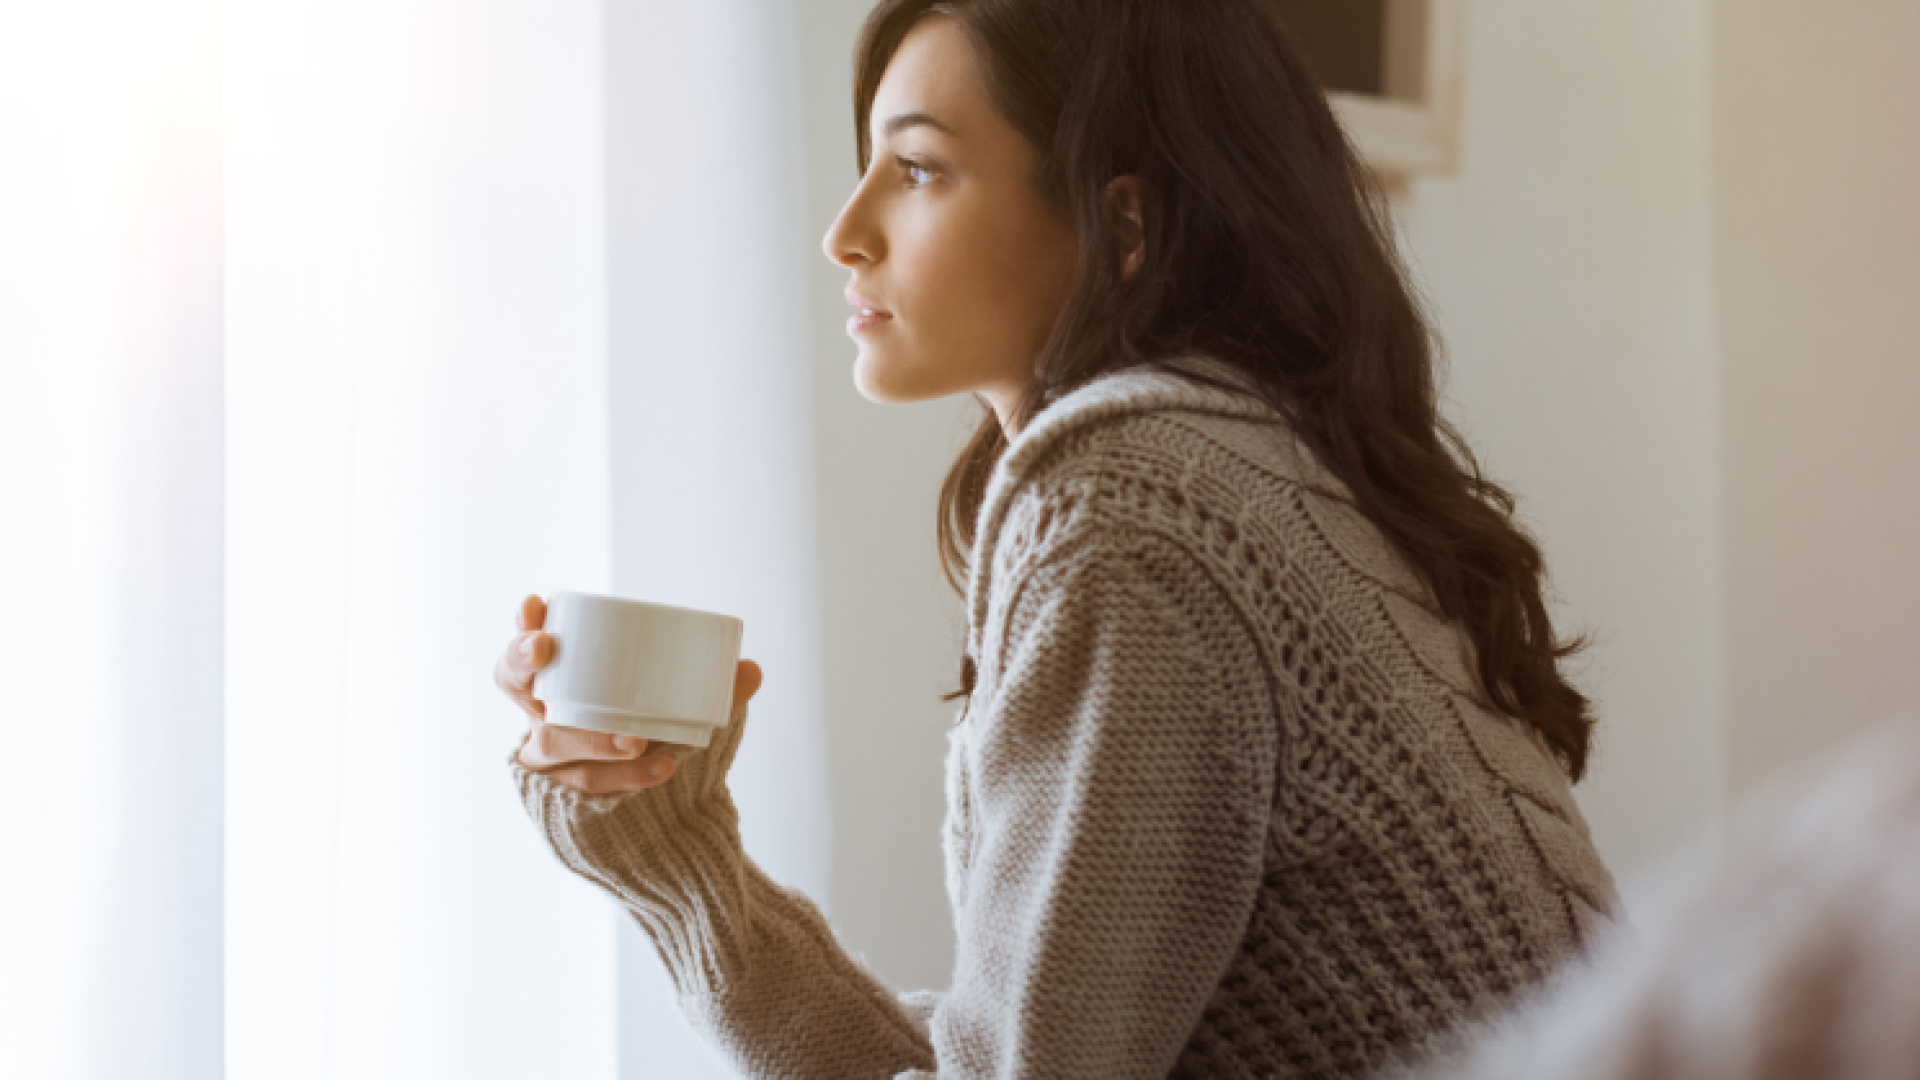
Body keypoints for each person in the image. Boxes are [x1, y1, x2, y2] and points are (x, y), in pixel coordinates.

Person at [493, 1, 1619, 1076]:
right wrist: (677, 858)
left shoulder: (1130, 506)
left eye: (919, 167)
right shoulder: (1238, 464)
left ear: (1121, 224)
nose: (845, 233)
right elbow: (1003, 1051)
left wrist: (685, 875)